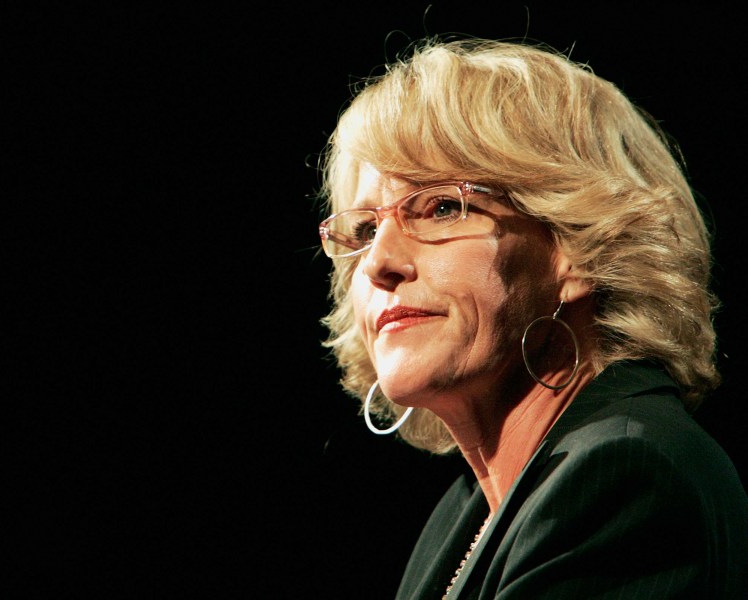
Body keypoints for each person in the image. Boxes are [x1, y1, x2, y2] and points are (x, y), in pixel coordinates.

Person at [314, 37, 748, 599]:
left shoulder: (628, 480)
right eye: (366, 229)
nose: (378, 263)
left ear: (579, 244)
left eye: (442, 207)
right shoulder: (468, 507)